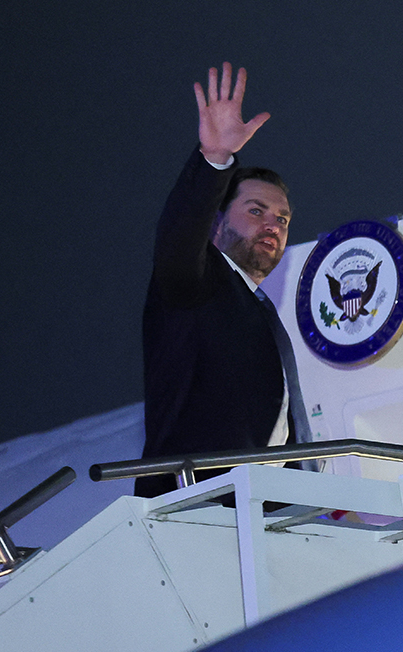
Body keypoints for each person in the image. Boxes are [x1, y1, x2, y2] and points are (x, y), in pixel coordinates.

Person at [135, 63, 316, 499]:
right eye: (256, 211)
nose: (273, 226)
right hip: (196, 510)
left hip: (261, 514)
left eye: (283, 219)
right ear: (215, 225)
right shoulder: (193, 284)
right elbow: (180, 233)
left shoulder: (257, 307)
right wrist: (214, 159)